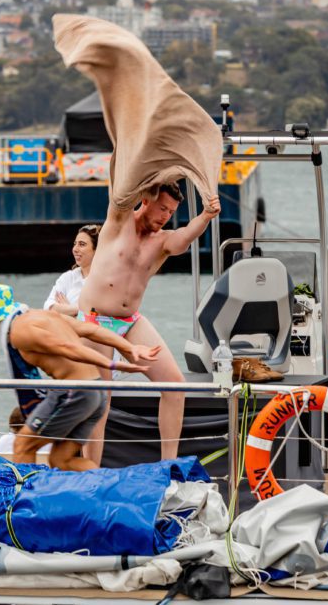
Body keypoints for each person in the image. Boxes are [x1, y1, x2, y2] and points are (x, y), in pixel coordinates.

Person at [79, 182, 221, 463]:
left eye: (171, 211)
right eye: (163, 208)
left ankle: (168, 466)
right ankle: (91, 472)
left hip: (130, 320)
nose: (166, 215)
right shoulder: (119, 223)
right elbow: (121, 184)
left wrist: (205, 215)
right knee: (101, 399)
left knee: (175, 386)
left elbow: (182, 239)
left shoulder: (162, 240)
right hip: (95, 319)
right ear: (145, 200)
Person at [0, 283, 160, 471]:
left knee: (23, 445)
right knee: (61, 459)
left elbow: (68, 348)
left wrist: (111, 363)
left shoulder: (19, 331)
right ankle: (104, 491)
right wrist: (129, 347)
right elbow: (90, 329)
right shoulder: (42, 316)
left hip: (75, 392)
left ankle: (30, 500)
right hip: (96, 390)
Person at [44, 224, 100, 316]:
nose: (75, 249)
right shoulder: (68, 277)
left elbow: (98, 313)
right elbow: (49, 307)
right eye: (75, 244)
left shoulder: (105, 281)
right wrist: (77, 309)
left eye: (82, 244)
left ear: (97, 249)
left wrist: (66, 309)